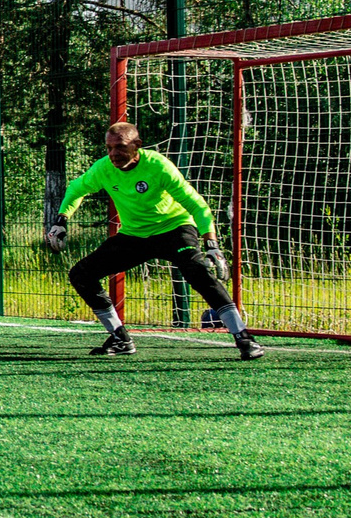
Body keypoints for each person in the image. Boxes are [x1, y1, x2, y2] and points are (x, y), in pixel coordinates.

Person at [47, 121, 264, 360]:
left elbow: (196, 204)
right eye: (108, 148)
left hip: (174, 229)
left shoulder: (158, 166)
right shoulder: (103, 169)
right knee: (81, 274)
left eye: (119, 147)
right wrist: (61, 220)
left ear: (137, 145)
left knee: (198, 272)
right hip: (135, 235)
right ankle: (120, 338)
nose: (113, 154)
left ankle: (243, 337)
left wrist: (211, 244)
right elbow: (77, 189)